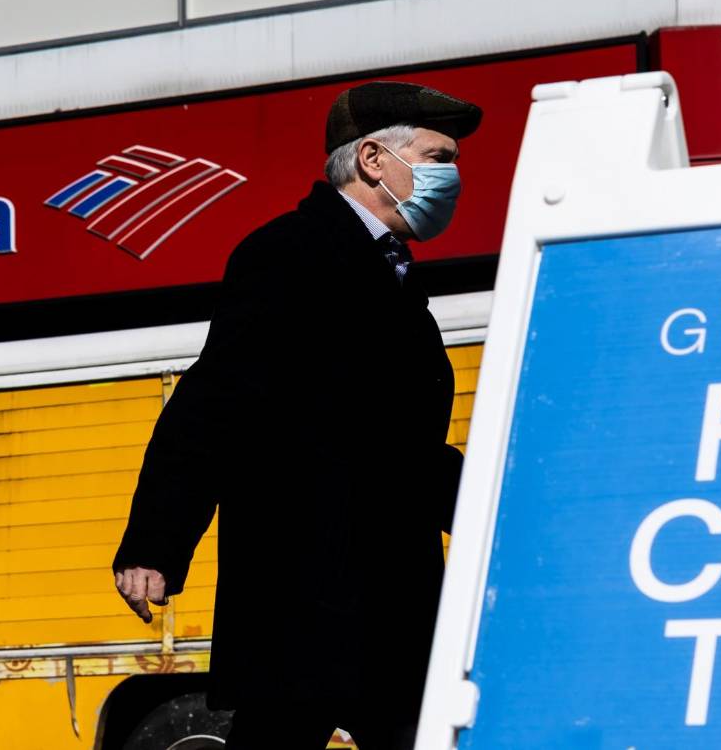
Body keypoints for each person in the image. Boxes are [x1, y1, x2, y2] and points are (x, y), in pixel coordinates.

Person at [112, 81, 483, 749]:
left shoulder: (395, 273)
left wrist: (494, 516)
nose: (451, 176)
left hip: (390, 599)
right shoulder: (288, 254)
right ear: (373, 159)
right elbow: (213, 402)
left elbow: (401, 447)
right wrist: (155, 544)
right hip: (305, 598)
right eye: (437, 157)